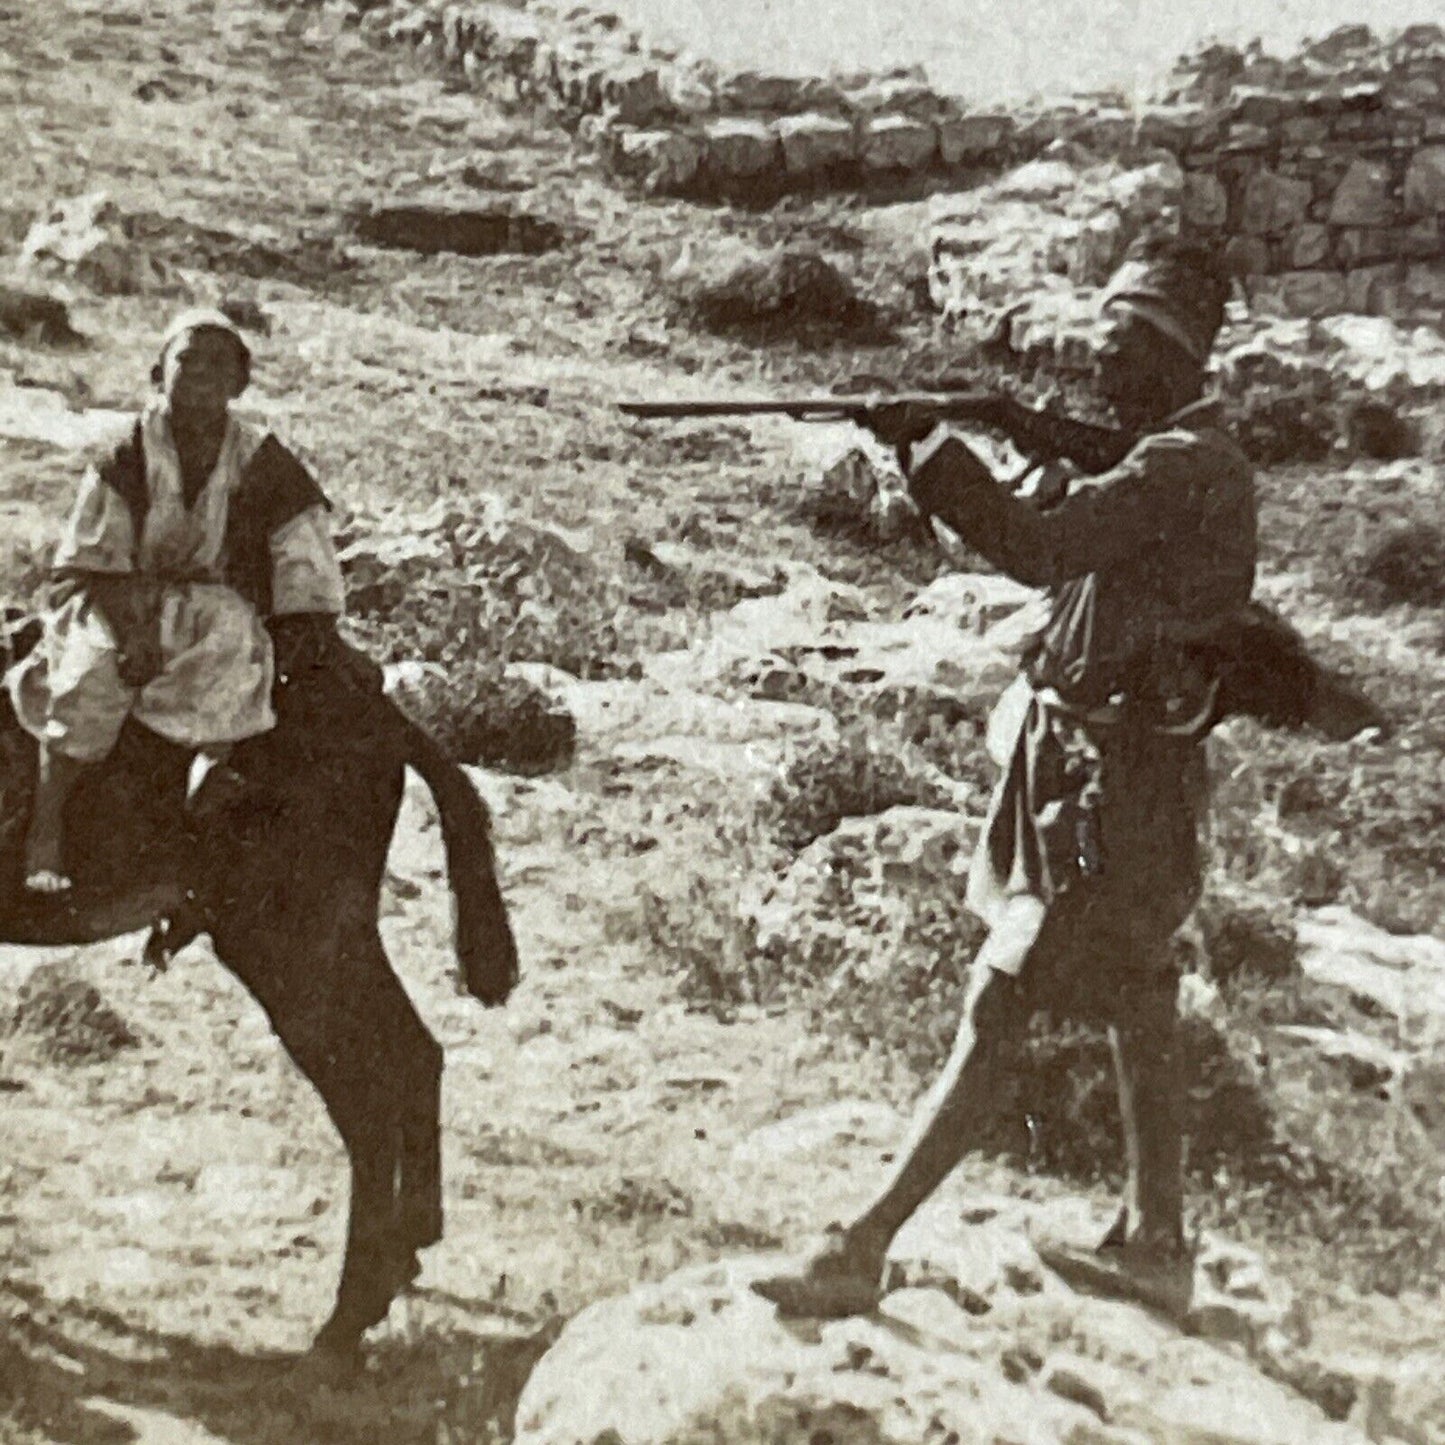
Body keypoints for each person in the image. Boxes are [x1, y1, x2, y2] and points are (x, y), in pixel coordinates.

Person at [752, 235, 1255, 1320]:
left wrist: (931, 445)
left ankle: (859, 1246)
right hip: (1107, 771)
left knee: (999, 998)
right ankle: (1156, 1243)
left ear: (1177, 360)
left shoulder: (1177, 465)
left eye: (1124, 347)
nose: (1097, 364)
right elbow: (1077, 500)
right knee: (1136, 994)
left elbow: (1037, 545)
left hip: (1114, 785)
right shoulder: (1170, 448)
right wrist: (999, 432)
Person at [6, 308, 345, 893]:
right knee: (90, 674)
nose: (203, 374)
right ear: (158, 373)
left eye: (221, 363)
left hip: (201, 601)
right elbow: (91, 557)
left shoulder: (258, 456)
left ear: (240, 383)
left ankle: (210, 770)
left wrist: (305, 617)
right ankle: (49, 822)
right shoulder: (127, 454)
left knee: (236, 642)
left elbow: (300, 539)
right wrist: (132, 631)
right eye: (188, 358)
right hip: (112, 592)